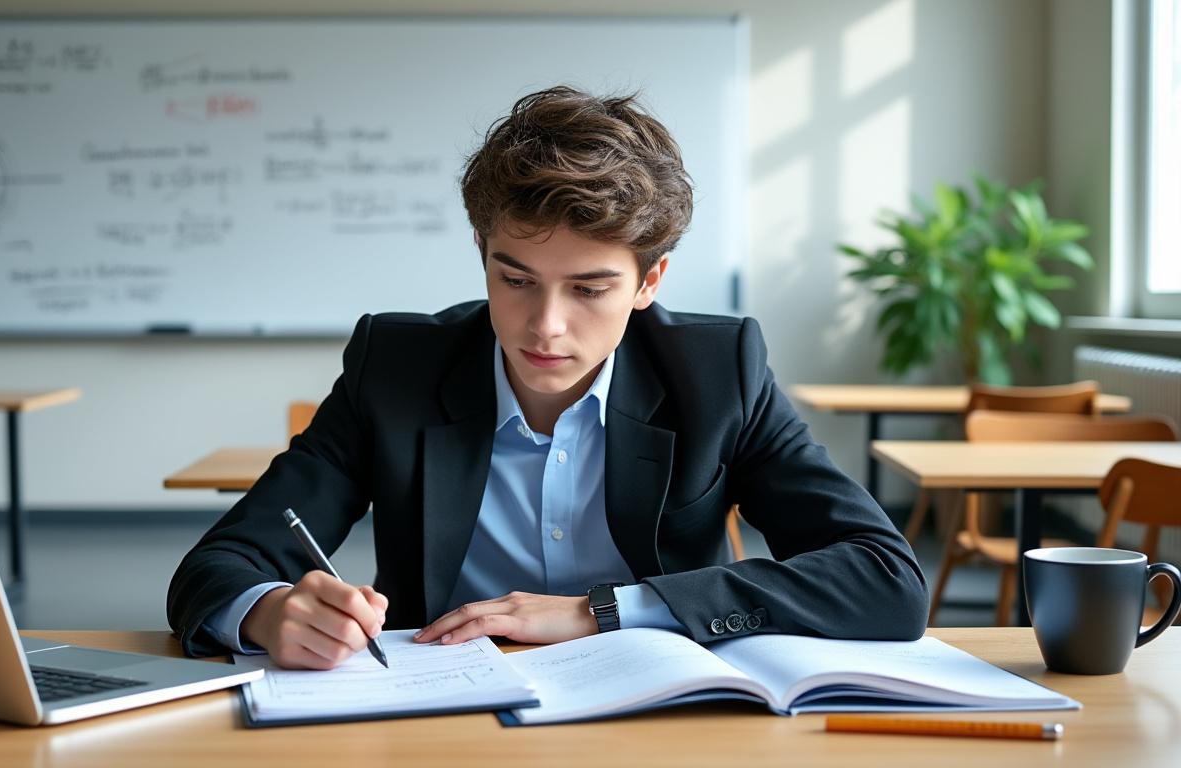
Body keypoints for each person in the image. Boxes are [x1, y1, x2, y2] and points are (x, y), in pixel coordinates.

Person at [167, 86, 927, 669]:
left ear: (649, 280)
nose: (545, 326)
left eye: (590, 289)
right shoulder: (394, 365)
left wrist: (606, 611)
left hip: (665, 711)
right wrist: (269, 611)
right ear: (482, 253)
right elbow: (217, 566)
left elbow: (885, 579)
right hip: (443, 710)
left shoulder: (717, 371)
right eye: (517, 279)